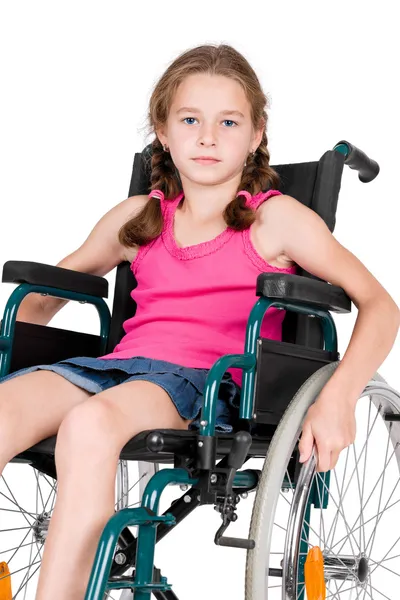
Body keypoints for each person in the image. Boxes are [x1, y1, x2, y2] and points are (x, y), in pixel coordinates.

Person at [0, 43, 399, 599]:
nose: (207, 137)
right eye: (190, 119)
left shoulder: (276, 219)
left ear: (257, 134)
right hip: (116, 368)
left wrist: (337, 397)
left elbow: (381, 306)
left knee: (89, 427)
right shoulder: (139, 217)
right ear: (162, 131)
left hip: (205, 384)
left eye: (228, 122)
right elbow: (51, 290)